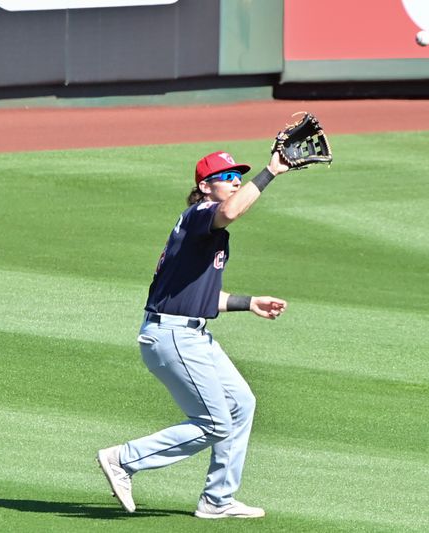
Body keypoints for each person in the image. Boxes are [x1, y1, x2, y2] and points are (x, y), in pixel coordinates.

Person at [97, 149, 289, 519]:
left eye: (238, 176)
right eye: (227, 177)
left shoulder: (207, 233)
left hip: (190, 333)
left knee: (241, 404)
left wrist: (248, 302)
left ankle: (217, 499)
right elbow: (231, 211)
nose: (235, 181)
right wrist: (271, 171)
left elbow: (196, 298)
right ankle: (123, 459)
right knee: (215, 423)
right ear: (204, 186)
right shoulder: (201, 214)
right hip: (173, 337)